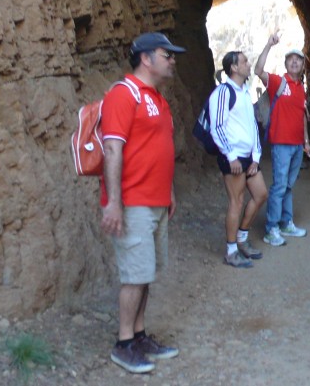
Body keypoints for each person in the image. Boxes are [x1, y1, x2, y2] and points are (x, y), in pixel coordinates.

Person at [100, 32, 186, 373]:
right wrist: (114, 203)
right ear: (146, 58)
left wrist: (170, 193)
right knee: (134, 276)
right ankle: (123, 344)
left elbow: (158, 151)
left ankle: (139, 335)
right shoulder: (124, 95)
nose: (173, 60)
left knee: (145, 272)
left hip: (156, 201)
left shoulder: (158, 98)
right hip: (133, 202)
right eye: (168, 54)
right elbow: (112, 149)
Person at [208, 51, 269, 268]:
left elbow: (252, 126)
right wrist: (231, 156)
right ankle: (231, 250)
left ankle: (242, 238)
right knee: (237, 201)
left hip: (247, 157)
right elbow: (217, 126)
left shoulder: (243, 92)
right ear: (233, 68)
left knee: (261, 194)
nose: (248, 64)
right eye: (244, 61)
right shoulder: (223, 92)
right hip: (232, 157)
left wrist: (255, 157)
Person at [254, 33, 310, 247]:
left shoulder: (301, 90)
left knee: (288, 186)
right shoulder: (279, 82)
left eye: (299, 59)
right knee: (279, 186)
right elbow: (258, 71)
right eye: (291, 59)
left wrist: (306, 141)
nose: (295, 61)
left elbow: (302, 116)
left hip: (297, 145)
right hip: (281, 143)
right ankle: (271, 229)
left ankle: (286, 222)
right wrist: (269, 45)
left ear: (303, 66)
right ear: (286, 63)